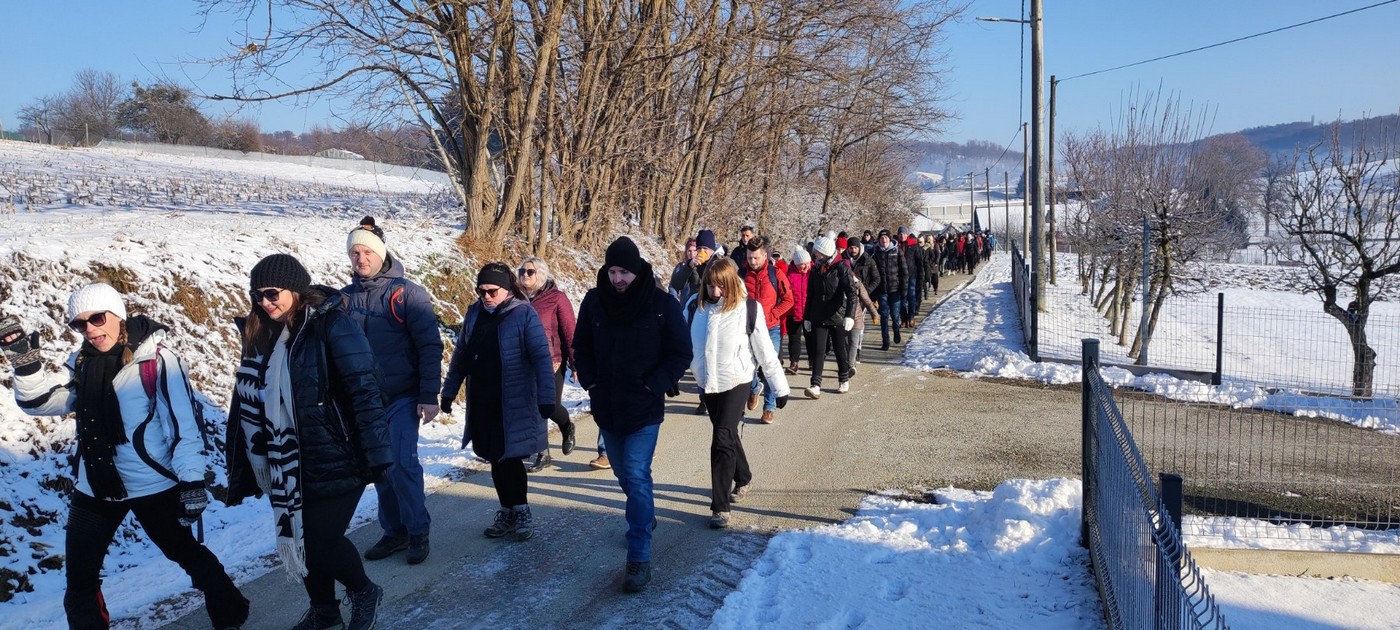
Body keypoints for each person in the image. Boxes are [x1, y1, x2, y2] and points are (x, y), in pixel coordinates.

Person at [0, 284, 248, 630]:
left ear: (118, 315)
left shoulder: (157, 361)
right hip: (96, 488)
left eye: (97, 319)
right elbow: (40, 403)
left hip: (152, 485)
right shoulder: (82, 363)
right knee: (80, 584)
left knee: (190, 558)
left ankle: (231, 616)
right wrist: (26, 366)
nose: (90, 330)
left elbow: (182, 428)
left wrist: (192, 480)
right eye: (80, 324)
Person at [225, 254, 392, 630]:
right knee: (301, 540)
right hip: (287, 463)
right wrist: (244, 464)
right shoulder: (259, 335)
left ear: (296, 289)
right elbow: (245, 407)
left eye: (272, 293)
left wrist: (378, 452)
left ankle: (364, 590)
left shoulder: (331, 323)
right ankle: (325, 610)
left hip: (336, 453)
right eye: (258, 296)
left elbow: (365, 389)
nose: (265, 303)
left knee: (320, 541)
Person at [572, 237, 692, 594]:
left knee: (638, 475)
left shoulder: (659, 304)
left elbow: (680, 352)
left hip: (644, 407)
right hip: (607, 406)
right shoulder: (594, 302)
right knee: (625, 476)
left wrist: (654, 384)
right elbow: (581, 346)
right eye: (612, 271)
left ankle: (639, 557)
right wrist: (591, 380)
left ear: (637, 270)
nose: (618, 278)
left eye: (624, 271)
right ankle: (645, 513)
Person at [341, 216, 443, 567]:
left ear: (381, 254)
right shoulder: (344, 299)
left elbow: (430, 345)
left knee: (402, 463)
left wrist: (430, 396)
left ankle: (418, 530)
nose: (361, 258)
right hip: (366, 401)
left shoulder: (407, 293)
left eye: (367, 251)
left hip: (403, 395)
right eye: (355, 252)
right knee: (381, 467)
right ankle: (394, 531)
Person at [440, 263, 554, 543]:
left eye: (492, 291)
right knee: (493, 455)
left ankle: (522, 510)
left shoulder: (523, 314)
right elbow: (462, 354)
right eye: (481, 291)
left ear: (507, 289)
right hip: (483, 397)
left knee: (511, 457)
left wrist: (547, 398)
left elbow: (541, 356)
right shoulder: (475, 312)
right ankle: (506, 510)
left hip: (513, 399)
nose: (486, 296)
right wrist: (449, 391)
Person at [687, 258, 790, 529]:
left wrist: (778, 386)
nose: (715, 292)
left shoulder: (748, 309)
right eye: (710, 286)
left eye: (720, 286)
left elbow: (766, 353)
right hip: (708, 382)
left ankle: (720, 507)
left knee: (721, 437)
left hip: (737, 380)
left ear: (732, 284)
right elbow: (684, 346)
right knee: (728, 433)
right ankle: (743, 478)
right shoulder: (695, 308)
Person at [516, 256, 578, 472]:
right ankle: (543, 453)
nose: (525, 275)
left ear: (541, 274)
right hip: (523, 362)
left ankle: (566, 425)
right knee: (533, 408)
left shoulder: (557, 298)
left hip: (551, 360)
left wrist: (575, 363)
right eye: (522, 271)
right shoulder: (514, 298)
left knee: (549, 406)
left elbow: (570, 332)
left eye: (530, 272)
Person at [740, 238, 794, 423]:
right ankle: (754, 387)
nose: (752, 262)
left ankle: (769, 408)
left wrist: (773, 314)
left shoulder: (776, 274)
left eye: (756, 258)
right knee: (745, 364)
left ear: (765, 255)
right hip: (747, 328)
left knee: (770, 366)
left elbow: (789, 300)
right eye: (749, 258)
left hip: (771, 328)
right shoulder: (741, 274)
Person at [802, 236, 856, 398]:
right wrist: (807, 317)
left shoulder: (841, 267)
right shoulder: (815, 269)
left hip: (837, 315)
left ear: (825, 253)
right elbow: (810, 295)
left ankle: (843, 379)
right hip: (819, 315)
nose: (815, 256)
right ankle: (815, 385)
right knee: (818, 350)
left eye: (818, 253)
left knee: (840, 349)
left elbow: (852, 293)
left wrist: (849, 316)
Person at [872, 229, 907, 350]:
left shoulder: (897, 251)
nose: (884, 240)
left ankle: (896, 331)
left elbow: (904, 271)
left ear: (890, 239)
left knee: (895, 315)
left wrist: (904, 289)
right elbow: (873, 274)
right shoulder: (876, 253)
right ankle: (885, 341)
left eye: (886, 238)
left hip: (895, 289)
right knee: (884, 316)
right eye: (882, 238)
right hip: (882, 291)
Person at [783, 249, 812, 375]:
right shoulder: (789, 274)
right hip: (793, 311)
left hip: (809, 311)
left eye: (807, 263)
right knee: (794, 338)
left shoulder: (814, 273)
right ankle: (794, 362)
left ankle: (813, 360)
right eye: (802, 264)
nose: (805, 266)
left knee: (811, 337)